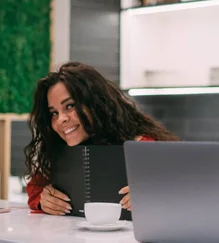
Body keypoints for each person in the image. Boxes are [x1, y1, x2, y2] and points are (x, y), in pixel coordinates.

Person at [24, 62, 179, 215]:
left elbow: (183, 191)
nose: (60, 119)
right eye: (54, 113)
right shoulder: (59, 151)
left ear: (95, 105)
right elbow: (35, 187)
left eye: (70, 106)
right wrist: (43, 199)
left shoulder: (141, 144)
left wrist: (155, 195)